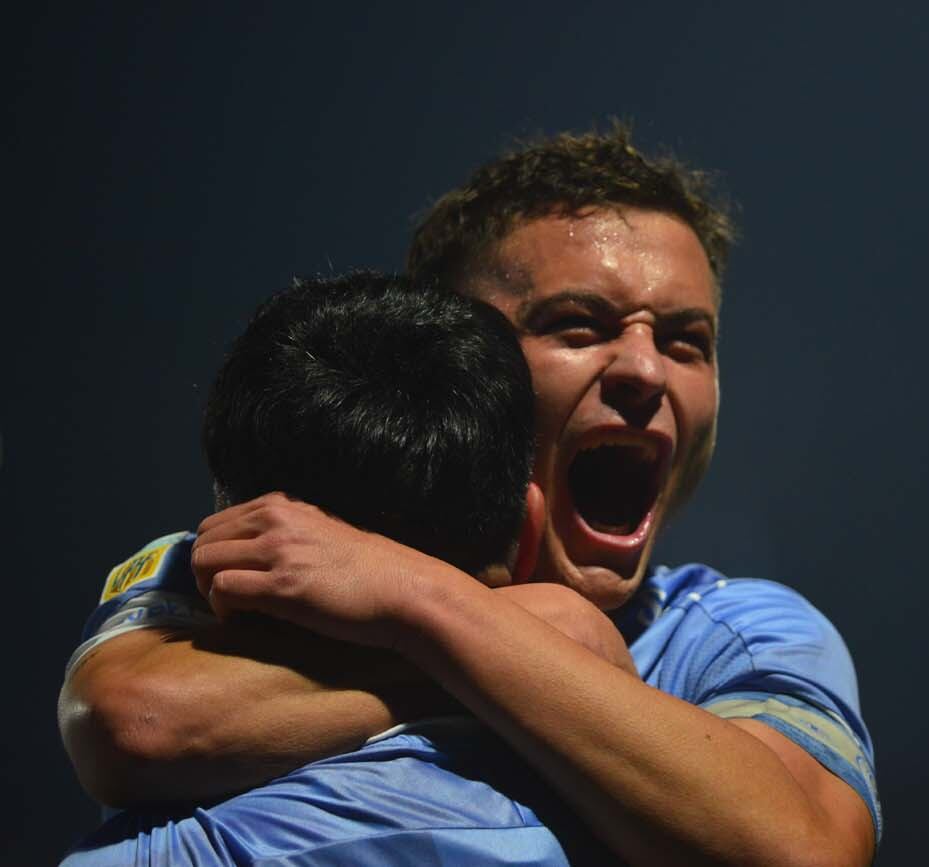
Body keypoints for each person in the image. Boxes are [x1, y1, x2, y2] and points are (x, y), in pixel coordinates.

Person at [60, 126, 882, 866]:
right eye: (579, 325)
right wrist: (553, 641)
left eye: (685, 341)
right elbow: (138, 719)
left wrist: (414, 599)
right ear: (459, 352)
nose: (644, 369)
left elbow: (799, 847)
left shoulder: (736, 634)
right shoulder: (268, 552)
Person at [63, 271, 633, 863]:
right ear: (533, 526)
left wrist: (414, 604)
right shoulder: (624, 796)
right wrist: (532, 641)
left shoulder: (164, 852)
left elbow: (135, 721)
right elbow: (133, 716)